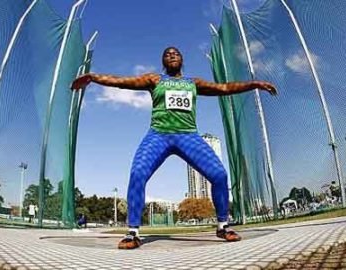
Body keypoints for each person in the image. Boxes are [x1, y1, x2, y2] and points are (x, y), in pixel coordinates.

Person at [71, 47, 277, 249]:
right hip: (158, 136)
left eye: (176, 53)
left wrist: (254, 84)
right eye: (167, 54)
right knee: (137, 173)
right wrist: (93, 77)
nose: (172, 55)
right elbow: (122, 82)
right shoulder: (155, 80)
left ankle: (223, 226)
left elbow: (224, 88)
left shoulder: (193, 83)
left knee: (220, 175)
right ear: (163, 62)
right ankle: (133, 232)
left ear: (181, 60)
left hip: (188, 136)